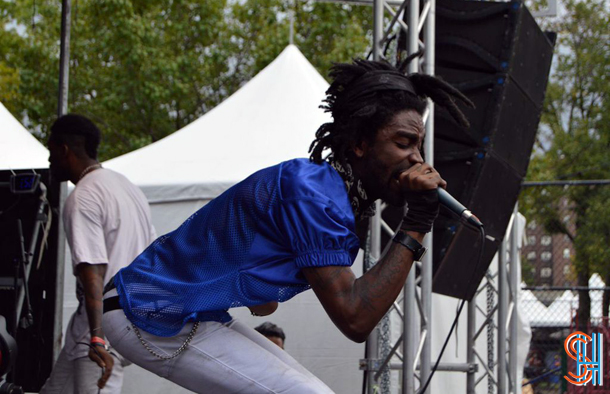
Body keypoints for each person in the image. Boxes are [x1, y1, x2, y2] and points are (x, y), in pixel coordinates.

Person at [101, 58, 472, 393]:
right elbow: (355, 319)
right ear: (360, 143)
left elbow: (262, 298)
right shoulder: (312, 194)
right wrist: (418, 221)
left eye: (419, 146)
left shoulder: (330, 194)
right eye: (404, 142)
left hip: (180, 310)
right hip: (149, 311)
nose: (416, 159)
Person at [40, 114, 156, 393]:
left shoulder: (82, 196)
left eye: (50, 152)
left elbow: (93, 272)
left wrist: (97, 339)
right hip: (120, 319)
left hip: (102, 331)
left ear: (64, 150)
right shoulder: (126, 187)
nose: (48, 162)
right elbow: (152, 254)